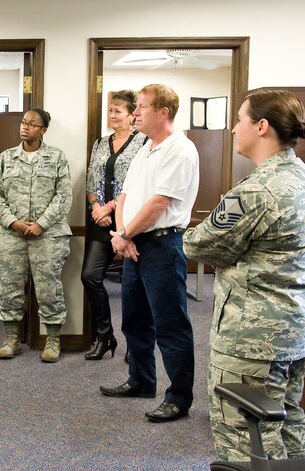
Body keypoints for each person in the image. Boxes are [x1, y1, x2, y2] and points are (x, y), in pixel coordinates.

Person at [184, 89, 305, 471]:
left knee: (244, 430)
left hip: (253, 335)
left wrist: (234, 254)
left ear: (261, 127)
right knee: (286, 418)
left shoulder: (259, 189)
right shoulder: (302, 177)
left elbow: (199, 242)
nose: (233, 128)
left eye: (240, 119)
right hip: (296, 329)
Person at [99, 84, 199, 423]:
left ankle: (179, 398)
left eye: (142, 107)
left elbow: (159, 204)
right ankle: (141, 380)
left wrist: (125, 234)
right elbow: (125, 195)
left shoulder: (179, 149)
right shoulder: (146, 148)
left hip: (161, 245)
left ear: (164, 112)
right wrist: (124, 236)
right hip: (134, 243)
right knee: (135, 321)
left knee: (171, 325)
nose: (136, 113)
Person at [0, 109, 71, 362]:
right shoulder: (6, 158)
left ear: (43, 130)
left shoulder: (56, 158)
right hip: (10, 236)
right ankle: (11, 339)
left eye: (32, 124)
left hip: (47, 237)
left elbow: (63, 196)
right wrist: (13, 222)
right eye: (23, 123)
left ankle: (53, 341)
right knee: (10, 288)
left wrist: (42, 224)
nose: (25, 127)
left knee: (49, 289)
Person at [82, 90, 149, 361]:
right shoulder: (100, 143)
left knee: (135, 288)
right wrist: (96, 207)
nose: (111, 115)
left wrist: (111, 207)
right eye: (110, 110)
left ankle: (136, 344)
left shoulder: (144, 143)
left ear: (132, 114)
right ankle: (104, 336)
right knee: (89, 277)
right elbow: (90, 180)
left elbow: (140, 185)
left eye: (118, 111)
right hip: (101, 221)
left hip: (131, 221)